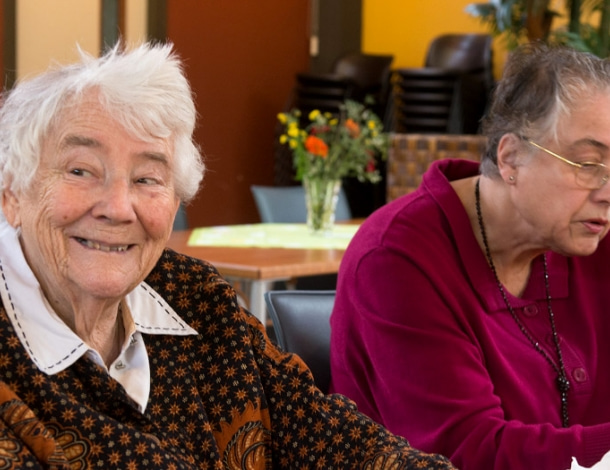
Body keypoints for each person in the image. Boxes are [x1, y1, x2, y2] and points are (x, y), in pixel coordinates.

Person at [0, 42, 457, 469]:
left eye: (147, 179)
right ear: (11, 193)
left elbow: (343, 443)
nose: (119, 208)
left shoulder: (197, 300)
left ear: (176, 200)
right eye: (80, 170)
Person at [329, 42, 610, 470]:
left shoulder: (588, 237)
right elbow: (468, 454)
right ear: (511, 157)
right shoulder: (396, 259)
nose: (607, 194)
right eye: (589, 164)